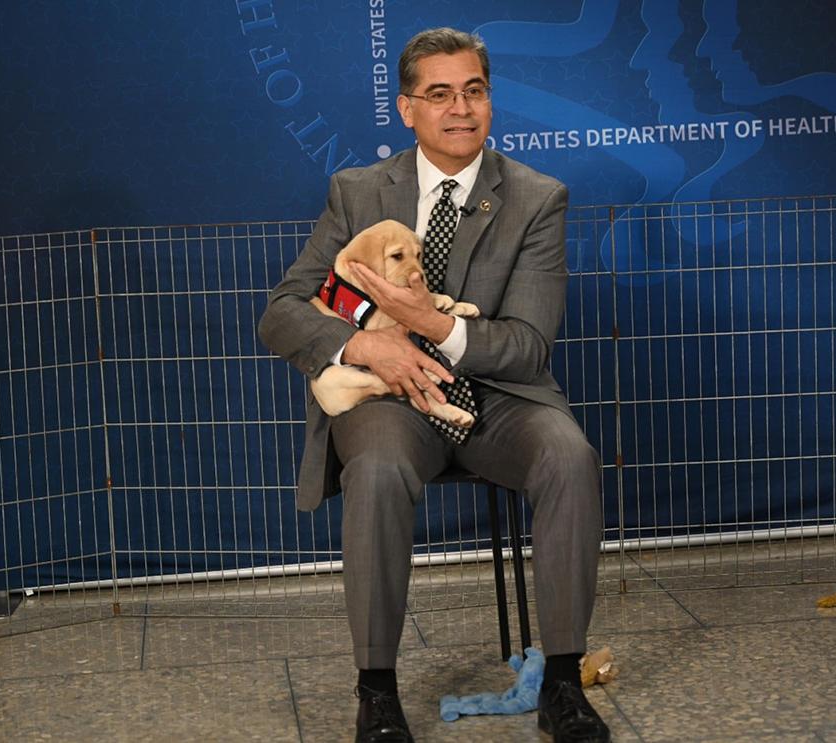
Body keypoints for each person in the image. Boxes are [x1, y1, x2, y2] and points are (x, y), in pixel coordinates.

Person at [258, 27, 609, 743]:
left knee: (569, 455)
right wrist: (367, 342)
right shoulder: (356, 193)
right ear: (406, 108)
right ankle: (377, 694)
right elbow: (283, 312)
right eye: (439, 94)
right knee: (379, 468)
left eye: (474, 91)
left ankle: (564, 686)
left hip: (500, 400)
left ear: (490, 101)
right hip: (389, 401)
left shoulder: (538, 198)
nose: (460, 109)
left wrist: (434, 325)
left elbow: (529, 344)